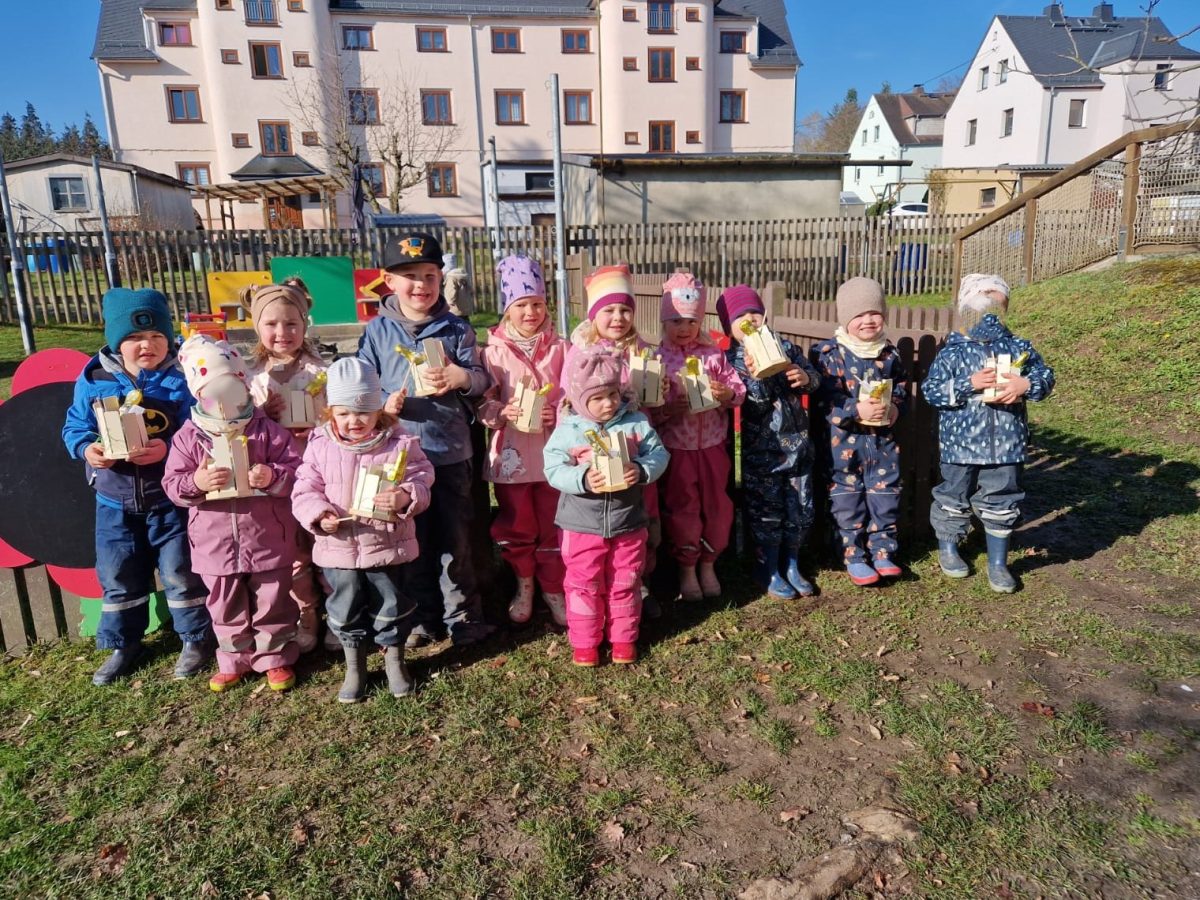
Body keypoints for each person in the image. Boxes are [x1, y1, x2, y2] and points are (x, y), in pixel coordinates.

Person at [62, 287, 212, 686]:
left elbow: (201, 425)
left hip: (169, 499)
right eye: (134, 338)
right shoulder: (94, 378)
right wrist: (87, 449)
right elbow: (74, 426)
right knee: (118, 573)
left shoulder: (182, 376)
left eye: (156, 336)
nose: (147, 345)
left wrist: (169, 446)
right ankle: (124, 643)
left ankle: (195, 638)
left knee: (181, 570)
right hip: (114, 499)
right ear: (116, 341)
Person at [356, 232, 493, 647]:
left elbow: (481, 380)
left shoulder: (456, 328)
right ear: (390, 281)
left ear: (441, 279)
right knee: (410, 541)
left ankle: (463, 618)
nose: (421, 285)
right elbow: (363, 385)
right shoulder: (377, 332)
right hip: (398, 457)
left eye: (430, 275)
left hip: (449, 452)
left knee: (455, 542)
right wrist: (383, 404)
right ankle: (421, 617)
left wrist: (461, 376)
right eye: (411, 276)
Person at [164, 335, 302, 692]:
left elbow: (298, 471)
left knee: (273, 598)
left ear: (245, 388)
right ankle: (232, 658)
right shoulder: (188, 438)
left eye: (233, 394)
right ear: (199, 396)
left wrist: (272, 476)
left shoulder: (268, 432)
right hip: (215, 543)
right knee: (224, 603)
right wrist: (196, 481)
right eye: (214, 396)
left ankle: (275, 657)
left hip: (267, 537)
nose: (225, 405)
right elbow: (173, 485)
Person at [292, 357, 435, 702]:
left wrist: (405, 496)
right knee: (344, 607)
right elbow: (304, 489)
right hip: (338, 549)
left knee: (392, 603)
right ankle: (354, 666)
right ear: (331, 412)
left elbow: (423, 476)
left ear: (378, 410)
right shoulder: (320, 445)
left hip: (387, 545)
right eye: (343, 413)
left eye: (363, 412)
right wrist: (319, 515)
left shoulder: (399, 443)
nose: (353, 421)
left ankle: (394, 661)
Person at [923, 274, 1055, 593]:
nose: (990, 316)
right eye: (983, 308)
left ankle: (998, 563)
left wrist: (1026, 384)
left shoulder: (1018, 347)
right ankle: (949, 547)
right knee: (953, 495)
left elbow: (1045, 376)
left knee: (1002, 499)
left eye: (998, 308)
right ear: (966, 309)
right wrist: (969, 384)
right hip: (961, 444)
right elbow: (932, 391)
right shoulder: (952, 351)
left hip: (1006, 444)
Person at [543, 352, 669, 666]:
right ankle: (585, 642)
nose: (609, 403)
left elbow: (659, 454)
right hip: (581, 524)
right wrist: (583, 478)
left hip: (628, 520)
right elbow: (553, 468)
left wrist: (641, 470)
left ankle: (624, 638)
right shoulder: (569, 429)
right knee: (583, 583)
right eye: (597, 398)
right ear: (579, 399)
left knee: (626, 579)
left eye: (612, 394)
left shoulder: (636, 423)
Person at [568, 263, 666, 615]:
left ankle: (640, 581)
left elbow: (657, 400)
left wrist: (662, 388)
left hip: (637, 446)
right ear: (593, 313)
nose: (618, 317)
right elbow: (570, 399)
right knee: (604, 517)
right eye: (608, 310)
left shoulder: (643, 350)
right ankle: (600, 582)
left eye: (625, 310)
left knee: (642, 513)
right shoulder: (580, 351)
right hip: (596, 451)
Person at [478, 255, 568, 626]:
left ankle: (553, 587)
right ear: (507, 309)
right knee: (517, 524)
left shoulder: (561, 348)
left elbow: (574, 396)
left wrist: (557, 413)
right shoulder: (492, 353)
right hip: (511, 457)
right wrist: (502, 412)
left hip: (553, 456)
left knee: (553, 522)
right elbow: (482, 402)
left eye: (537, 304)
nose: (530, 312)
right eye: (520, 305)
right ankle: (524, 583)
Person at [241, 282, 330, 653]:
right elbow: (238, 428)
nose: (283, 332)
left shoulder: (321, 371)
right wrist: (262, 415)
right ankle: (306, 613)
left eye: (292, 323)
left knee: (326, 543)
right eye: (272, 324)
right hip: (277, 481)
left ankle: (337, 612)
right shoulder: (249, 377)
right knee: (293, 553)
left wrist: (320, 424)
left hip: (321, 474)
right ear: (257, 327)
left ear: (305, 323)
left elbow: (342, 417)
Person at [719, 285, 822, 599]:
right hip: (764, 454)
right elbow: (756, 404)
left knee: (800, 508)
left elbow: (813, 379)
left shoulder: (785, 346)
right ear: (729, 327)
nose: (750, 319)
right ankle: (768, 567)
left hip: (798, 447)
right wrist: (758, 374)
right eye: (741, 317)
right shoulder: (734, 360)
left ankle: (792, 563)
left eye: (755, 313)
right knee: (768, 512)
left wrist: (805, 378)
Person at [651, 273, 745, 601]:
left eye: (691, 321)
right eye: (676, 320)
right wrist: (668, 409)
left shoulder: (713, 354)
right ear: (664, 321)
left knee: (718, 506)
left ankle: (709, 562)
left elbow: (737, 390)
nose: (684, 328)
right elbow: (649, 409)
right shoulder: (657, 358)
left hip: (713, 445)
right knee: (683, 508)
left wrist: (725, 394)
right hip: (677, 447)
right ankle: (687, 566)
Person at [811, 277, 907, 586]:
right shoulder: (829, 353)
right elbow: (824, 398)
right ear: (845, 318)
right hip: (843, 446)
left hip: (882, 443)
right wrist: (855, 409)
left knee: (885, 496)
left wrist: (896, 407)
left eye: (875, 313)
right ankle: (853, 555)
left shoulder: (889, 354)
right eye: (859, 315)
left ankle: (883, 552)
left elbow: (900, 387)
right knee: (846, 499)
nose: (868, 320)